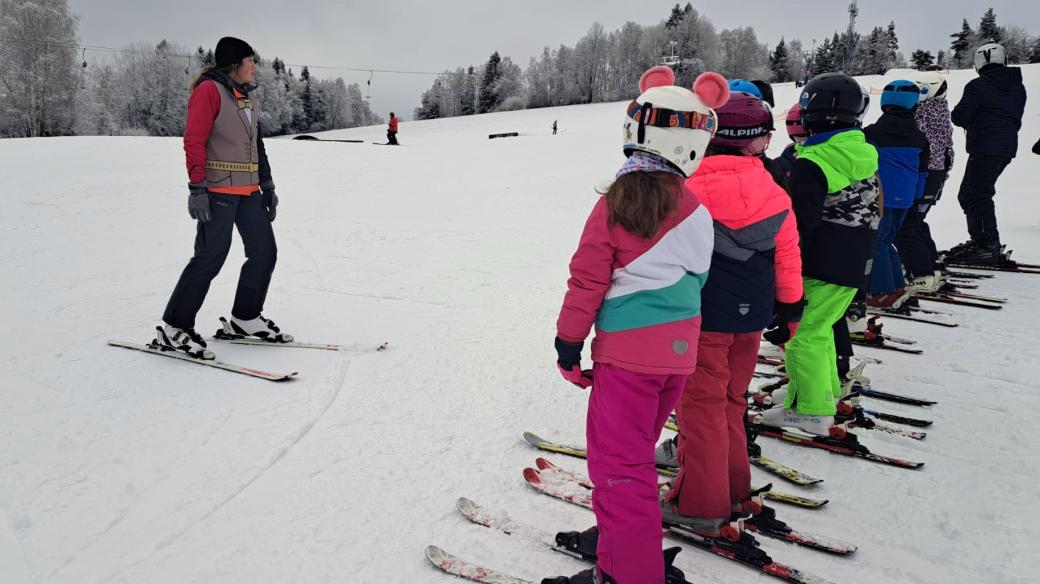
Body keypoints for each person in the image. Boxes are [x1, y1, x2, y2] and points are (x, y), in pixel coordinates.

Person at [546, 65, 728, 584]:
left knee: (621, 473)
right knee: (630, 461)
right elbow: (700, 278)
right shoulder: (695, 208)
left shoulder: (614, 206)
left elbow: (586, 281)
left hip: (626, 363)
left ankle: (630, 573)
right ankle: (618, 547)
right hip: (676, 360)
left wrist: (568, 342)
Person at [656, 91, 802, 539]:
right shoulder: (773, 188)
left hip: (701, 318)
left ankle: (700, 503)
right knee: (732, 403)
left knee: (700, 408)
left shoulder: (686, 187)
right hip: (751, 317)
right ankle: (734, 489)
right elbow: (788, 255)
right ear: (755, 141)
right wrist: (791, 309)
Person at [757, 73, 880, 436]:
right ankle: (819, 395)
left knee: (803, 333)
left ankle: (809, 410)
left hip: (823, 262)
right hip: (854, 259)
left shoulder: (813, 163)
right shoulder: (858, 151)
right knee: (820, 329)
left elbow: (799, 224)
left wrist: (784, 270)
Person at [157, 36, 287, 359]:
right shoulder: (209, 92)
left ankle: (245, 317)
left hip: (249, 191)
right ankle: (175, 326)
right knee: (211, 256)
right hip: (216, 191)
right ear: (234, 64)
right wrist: (197, 188)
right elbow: (193, 140)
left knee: (264, 252)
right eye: (250, 61)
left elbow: (258, 146)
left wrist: (267, 185)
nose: (255, 66)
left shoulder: (246, 98)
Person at [945, 43, 1027, 264]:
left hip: (984, 146)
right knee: (976, 193)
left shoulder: (977, 85)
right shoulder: (1017, 86)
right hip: (1006, 146)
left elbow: (960, 116)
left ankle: (985, 244)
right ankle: (985, 240)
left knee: (974, 194)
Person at [863, 80, 930, 309]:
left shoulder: (872, 133)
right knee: (886, 241)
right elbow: (923, 173)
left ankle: (882, 291)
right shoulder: (920, 138)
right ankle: (896, 286)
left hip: (880, 197)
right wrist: (917, 198)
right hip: (905, 199)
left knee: (875, 243)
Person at [894, 70, 955, 292]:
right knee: (916, 221)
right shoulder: (942, 112)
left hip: (922, 173)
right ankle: (932, 264)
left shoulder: (921, 113)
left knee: (907, 225)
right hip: (935, 175)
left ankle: (922, 273)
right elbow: (949, 148)